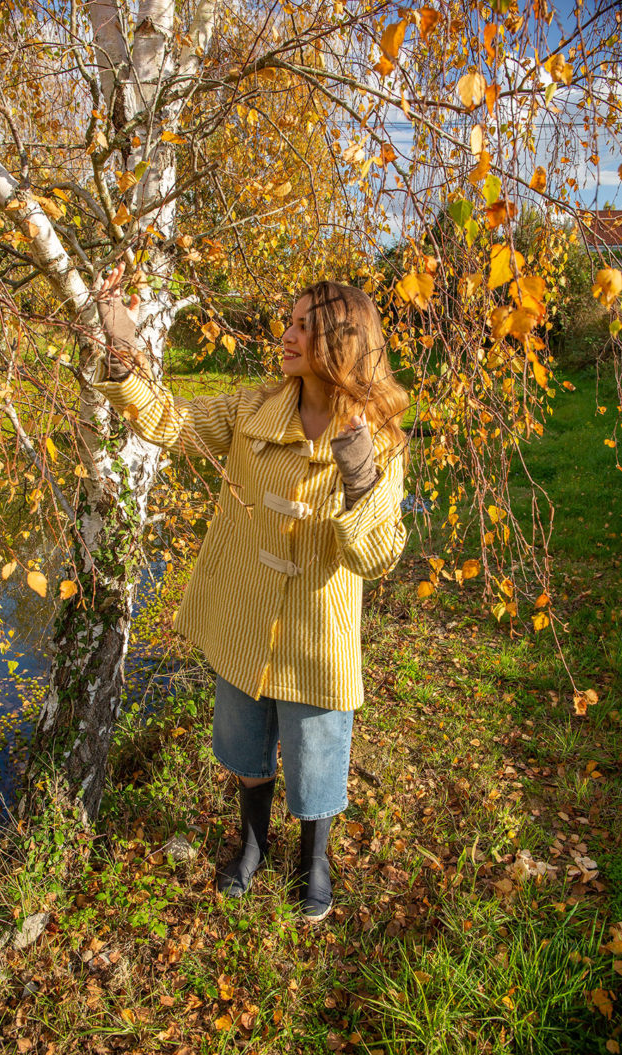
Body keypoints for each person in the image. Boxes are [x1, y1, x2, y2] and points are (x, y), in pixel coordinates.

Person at [93, 267, 409, 922]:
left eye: (301, 326)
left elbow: (377, 557)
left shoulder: (376, 443)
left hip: (316, 632)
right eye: (288, 322)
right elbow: (167, 422)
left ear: (338, 345)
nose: (285, 335)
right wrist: (121, 349)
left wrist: (357, 477)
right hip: (243, 612)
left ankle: (314, 857)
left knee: (316, 751)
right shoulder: (249, 411)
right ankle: (253, 844)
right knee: (243, 741)